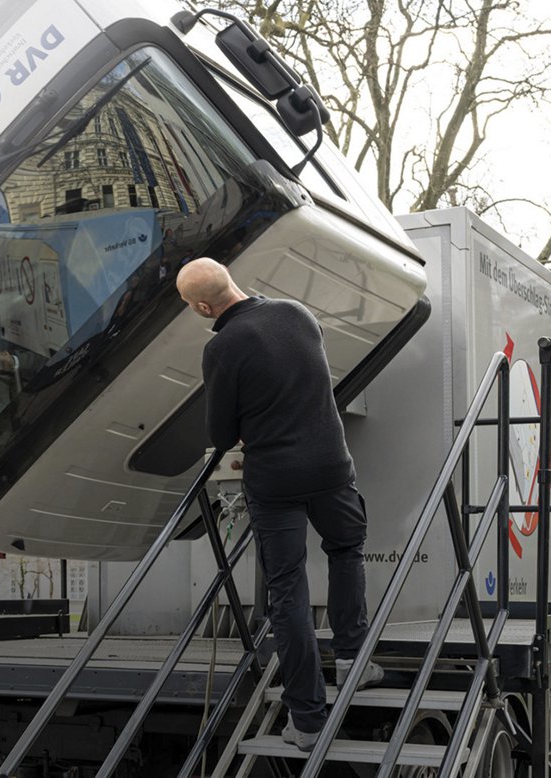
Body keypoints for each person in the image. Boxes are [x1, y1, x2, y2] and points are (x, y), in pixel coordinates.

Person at [175, 258, 383, 752]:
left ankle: (307, 720)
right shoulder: (298, 314)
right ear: (231, 278)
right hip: (332, 466)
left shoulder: (221, 347)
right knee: (346, 550)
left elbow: (222, 434)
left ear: (204, 306)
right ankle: (354, 656)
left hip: (275, 479)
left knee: (287, 591)